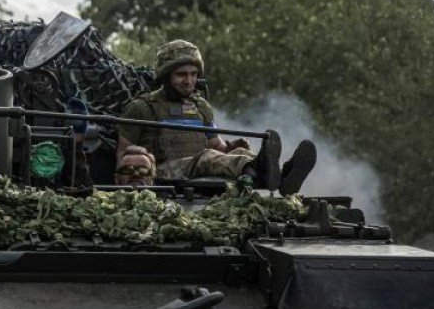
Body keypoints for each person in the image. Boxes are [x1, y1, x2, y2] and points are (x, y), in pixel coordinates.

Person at [116, 40, 316, 194]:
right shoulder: (141, 108)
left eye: (193, 74)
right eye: (181, 75)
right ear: (165, 76)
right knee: (206, 158)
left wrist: (231, 148)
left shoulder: (200, 106)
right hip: (160, 172)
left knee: (239, 153)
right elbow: (123, 158)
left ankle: (281, 177)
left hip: (196, 167)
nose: (189, 81)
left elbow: (217, 148)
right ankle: (258, 168)